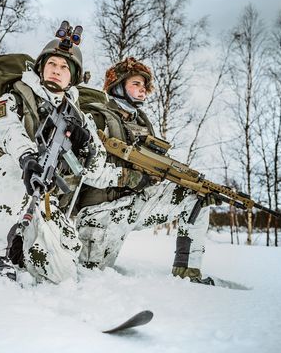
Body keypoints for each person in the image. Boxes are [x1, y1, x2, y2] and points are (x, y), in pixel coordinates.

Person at [0, 27, 122, 284]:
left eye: (64, 67)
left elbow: (96, 170)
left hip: (46, 199)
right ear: (40, 68)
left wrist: (87, 145)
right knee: (12, 168)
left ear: (72, 77)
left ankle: (23, 245)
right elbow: (6, 129)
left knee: (62, 274)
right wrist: (27, 157)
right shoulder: (15, 96)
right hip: (11, 184)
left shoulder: (80, 117)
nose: (56, 69)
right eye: (51, 63)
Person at [76, 57, 215, 284]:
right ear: (118, 86)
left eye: (143, 86)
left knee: (195, 196)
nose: (142, 90)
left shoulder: (141, 122)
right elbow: (85, 169)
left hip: (133, 206)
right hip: (99, 215)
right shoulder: (97, 118)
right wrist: (130, 178)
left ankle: (188, 275)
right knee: (90, 280)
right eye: (135, 84)